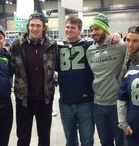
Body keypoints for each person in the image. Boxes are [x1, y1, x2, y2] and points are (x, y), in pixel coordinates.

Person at [10, 13, 58, 146]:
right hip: (24, 100)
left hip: (45, 100)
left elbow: (58, 65)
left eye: (38, 25)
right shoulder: (17, 45)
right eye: (32, 25)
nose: (35, 28)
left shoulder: (52, 45)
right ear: (28, 27)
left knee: (44, 138)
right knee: (23, 138)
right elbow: (9, 68)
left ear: (43, 28)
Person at [86, 13, 126, 146]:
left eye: (96, 29)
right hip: (98, 105)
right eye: (91, 30)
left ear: (105, 29)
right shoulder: (90, 51)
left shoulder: (120, 46)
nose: (93, 32)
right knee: (105, 141)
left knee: (121, 141)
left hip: (117, 104)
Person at [57, 15, 95, 146]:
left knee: (87, 140)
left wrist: (115, 36)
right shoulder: (58, 47)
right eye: (67, 27)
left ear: (80, 30)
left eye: (73, 27)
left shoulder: (89, 45)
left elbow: (105, 42)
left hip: (85, 102)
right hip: (65, 101)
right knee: (70, 141)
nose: (69, 30)